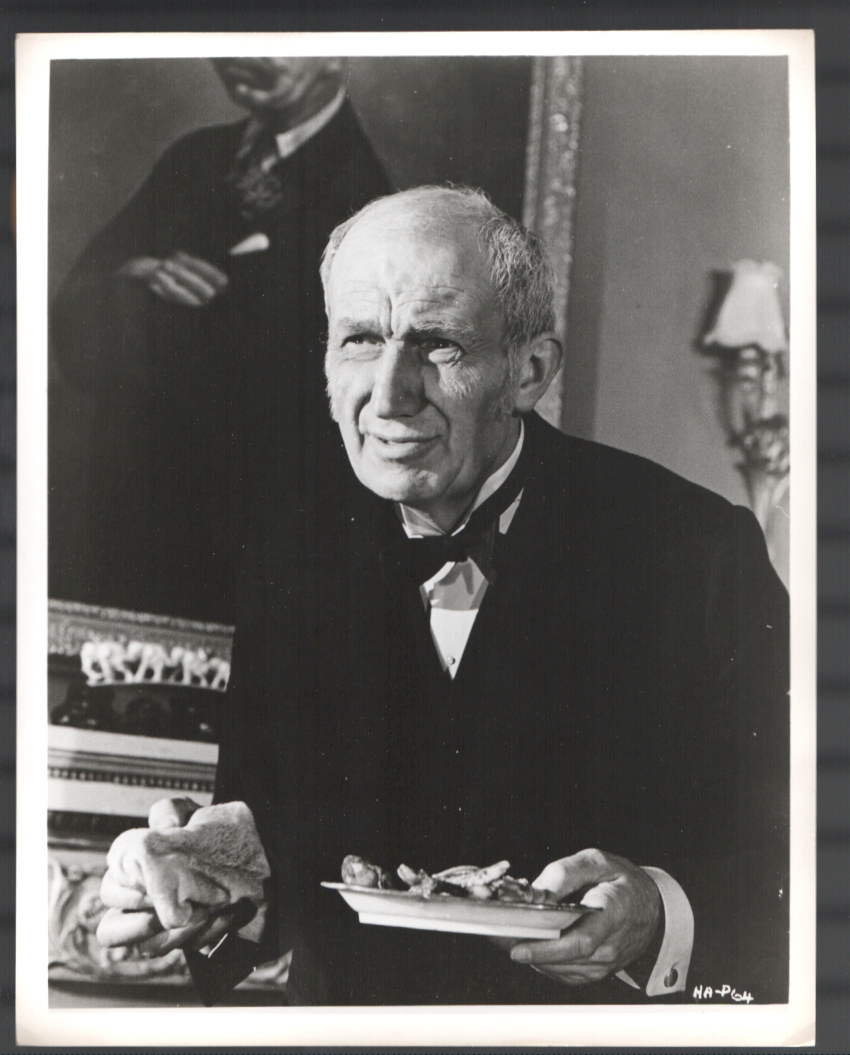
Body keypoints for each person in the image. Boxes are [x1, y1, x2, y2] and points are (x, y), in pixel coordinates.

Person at [97, 187, 790, 1006]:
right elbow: (277, 873)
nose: (390, 394)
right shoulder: (292, 560)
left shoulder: (699, 552)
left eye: (438, 345)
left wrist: (662, 915)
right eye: (361, 339)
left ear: (529, 371)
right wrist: (206, 887)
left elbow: (806, 867)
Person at [49, 57, 391, 622]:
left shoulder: (365, 202)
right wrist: (135, 274)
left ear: (335, 55)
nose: (240, 53)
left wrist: (149, 312)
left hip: (243, 545)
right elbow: (71, 325)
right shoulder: (195, 157)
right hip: (125, 519)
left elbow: (284, 391)